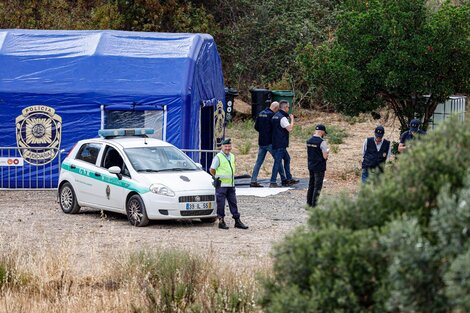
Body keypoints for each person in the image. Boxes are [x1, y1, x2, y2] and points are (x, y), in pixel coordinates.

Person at [210, 138, 249, 230]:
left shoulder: (232, 156)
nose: (227, 148)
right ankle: (221, 221)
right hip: (221, 185)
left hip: (231, 185)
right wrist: (217, 178)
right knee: (221, 204)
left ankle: (237, 221)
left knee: (233, 203)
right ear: (222, 147)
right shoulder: (218, 157)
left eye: (229, 146)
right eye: (226, 146)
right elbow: (212, 169)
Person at [250, 101, 287, 187]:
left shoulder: (261, 113)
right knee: (278, 160)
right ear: (276, 108)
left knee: (258, 162)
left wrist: (263, 133)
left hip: (261, 142)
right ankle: (284, 179)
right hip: (270, 143)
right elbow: (275, 129)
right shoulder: (272, 116)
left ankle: (253, 180)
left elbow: (256, 127)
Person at [269, 100, 299, 188]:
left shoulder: (275, 116)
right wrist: (292, 119)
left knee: (287, 159)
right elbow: (289, 128)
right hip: (280, 144)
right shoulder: (282, 118)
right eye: (288, 107)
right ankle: (273, 181)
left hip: (275, 142)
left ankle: (289, 178)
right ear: (285, 108)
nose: (288, 109)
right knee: (277, 162)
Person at [306, 124, 329, 207]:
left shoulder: (309, 140)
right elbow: (325, 156)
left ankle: (308, 203)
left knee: (311, 184)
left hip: (310, 165)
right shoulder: (322, 142)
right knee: (317, 186)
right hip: (319, 166)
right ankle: (314, 205)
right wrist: (327, 152)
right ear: (322, 132)